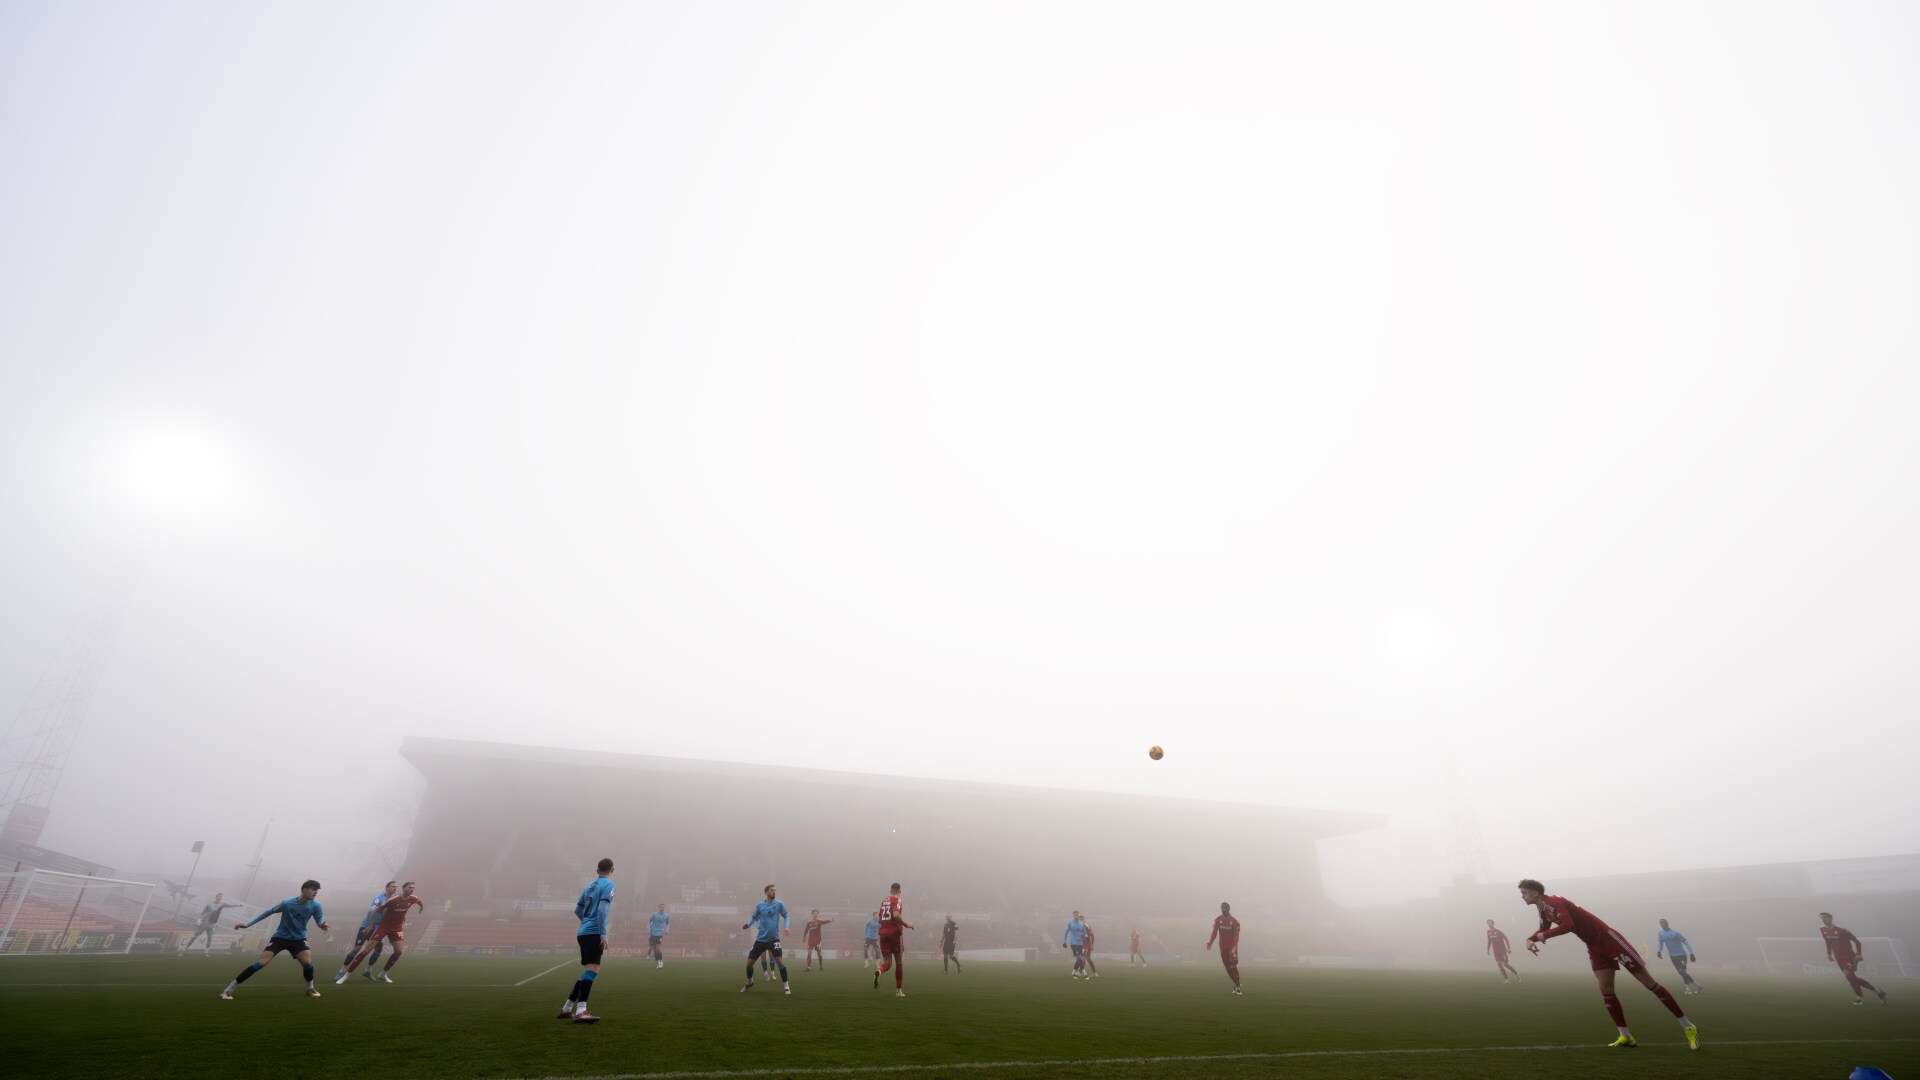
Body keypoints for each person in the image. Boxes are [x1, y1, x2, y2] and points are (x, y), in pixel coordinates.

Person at [1519, 879, 1697, 1050]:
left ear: (1535, 892)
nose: (1522, 896)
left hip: (1609, 939)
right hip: (1594, 946)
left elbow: (1567, 925)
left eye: (1524, 892)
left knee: (1649, 984)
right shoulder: (1543, 909)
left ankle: (1688, 1026)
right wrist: (1530, 938)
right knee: (1606, 990)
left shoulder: (1555, 902)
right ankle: (1625, 1035)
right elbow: (1544, 929)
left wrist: (1542, 937)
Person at [221, 880, 329, 999]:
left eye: (317, 890)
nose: (315, 892)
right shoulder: (287, 903)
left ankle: (310, 988)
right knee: (261, 963)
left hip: (299, 939)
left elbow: (320, 919)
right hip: (280, 938)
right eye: (313, 889)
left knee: (308, 965)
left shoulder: (316, 905)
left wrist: (322, 925)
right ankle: (228, 990)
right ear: (304, 889)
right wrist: (248, 924)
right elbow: (269, 912)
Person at [559, 858, 614, 1024]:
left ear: (597, 870)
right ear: (612, 869)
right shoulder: (609, 885)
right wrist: (603, 934)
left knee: (588, 971)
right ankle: (581, 1010)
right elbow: (603, 910)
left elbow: (578, 910)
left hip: (583, 932)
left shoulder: (588, 886)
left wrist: (586, 922)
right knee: (593, 970)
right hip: (594, 933)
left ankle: (567, 1008)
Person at [335, 881, 423, 984]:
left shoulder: (413, 898)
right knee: (361, 950)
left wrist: (421, 908)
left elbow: (418, 901)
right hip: (379, 926)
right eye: (410, 887)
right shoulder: (388, 899)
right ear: (403, 889)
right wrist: (370, 925)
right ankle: (344, 974)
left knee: (397, 951)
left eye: (413, 888)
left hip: (396, 928)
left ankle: (380, 973)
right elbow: (374, 911)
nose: (412, 889)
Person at [1820, 912, 1888, 1005]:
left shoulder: (1842, 931)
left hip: (1849, 957)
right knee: (1851, 978)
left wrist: (1858, 954)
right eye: (1822, 918)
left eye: (1825, 918)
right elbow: (1828, 942)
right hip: (1839, 959)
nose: (1823, 920)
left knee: (1850, 976)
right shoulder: (1823, 930)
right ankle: (1877, 992)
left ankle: (1860, 998)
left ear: (1831, 918)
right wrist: (1829, 954)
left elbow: (1857, 942)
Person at [741, 884, 791, 994]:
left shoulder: (779, 904)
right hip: (760, 940)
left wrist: (787, 927)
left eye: (775, 890)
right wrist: (748, 924)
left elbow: (786, 915)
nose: (774, 892)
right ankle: (750, 982)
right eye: (772, 890)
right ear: (766, 892)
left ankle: (786, 986)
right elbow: (754, 917)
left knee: (780, 963)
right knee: (749, 964)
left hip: (774, 939)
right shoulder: (760, 905)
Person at [343, 882, 396, 976]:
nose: (395, 888)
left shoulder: (394, 900)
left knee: (378, 949)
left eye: (396, 887)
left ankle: (368, 970)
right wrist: (369, 925)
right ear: (387, 888)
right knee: (357, 949)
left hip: (378, 928)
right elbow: (372, 912)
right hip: (367, 926)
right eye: (393, 886)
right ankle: (342, 970)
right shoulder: (379, 898)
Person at [873, 882, 913, 996]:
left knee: (887, 963)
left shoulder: (884, 901)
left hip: (883, 934)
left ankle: (879, 971)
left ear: (890, 890)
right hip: (894, 934)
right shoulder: (897, 899)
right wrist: (906, 924)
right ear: (898, 891)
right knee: (899, 962)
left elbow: (880, 918)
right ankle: (898, 990)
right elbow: (895, 915)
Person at [1654, 919, 1700, 994]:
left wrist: (1691, 953)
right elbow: (1660, 943)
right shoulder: (1660, 934)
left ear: (1667, 923)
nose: (1662, 925)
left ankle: (1689, 988)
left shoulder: (1675, 933)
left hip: (1682, 955)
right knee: (1681, 972)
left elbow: (1685, 942)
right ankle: (1697, 987)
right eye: (1661, 924)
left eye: (1664, 923)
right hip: (1673, 956)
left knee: (1683, 972)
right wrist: (1659, 951)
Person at [1205, 902, 1242, 995]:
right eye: (1222, 908)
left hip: (1231, 948)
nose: (1223, 909)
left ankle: (1238, 986)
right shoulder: (1218, 920)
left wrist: (1234, 948)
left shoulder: (1234, 922)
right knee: (1227, 968)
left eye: (1225, 908)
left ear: (1228, 909)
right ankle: (1236, 983)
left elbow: (1236, 937)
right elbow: (1214, 933)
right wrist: (1210, 942)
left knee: (1233, 966)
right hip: (1222, 948)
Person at [1063, 911, 1091, 979]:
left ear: (1078, 916)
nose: (1076, 916)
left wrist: (1085, 936)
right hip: (1073, 943)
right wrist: (1065, 942)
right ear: (1073, 916)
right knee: (1079, 958)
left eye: (1077, 915)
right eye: (1075, 915)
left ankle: (1074, 973)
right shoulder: (1070, 923)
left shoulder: (1081, 924)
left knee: (1079, 959)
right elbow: (1066, 932)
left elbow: (1085, 933)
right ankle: (1085, 974)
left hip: (1080, 944)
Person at [647, 904, 670, 969]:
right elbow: (649, 921)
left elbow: (668, 923)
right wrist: (648, 929)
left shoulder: (666, 915)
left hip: (659, 934)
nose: (662, 908)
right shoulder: (654, 914)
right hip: (652, 933)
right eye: (660, 907)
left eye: (663, 907)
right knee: (654, 948)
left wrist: (667, 930)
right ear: (658, 908)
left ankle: (661, 962)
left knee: (658, 948)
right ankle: (658, 962)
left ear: (664, 908)